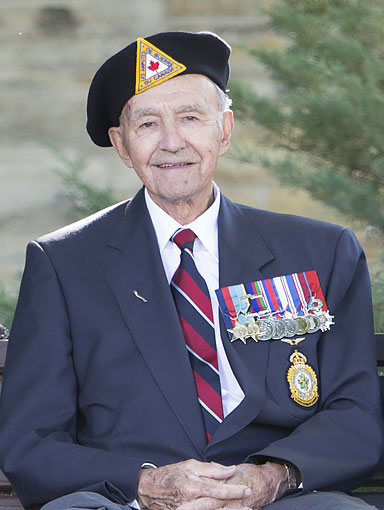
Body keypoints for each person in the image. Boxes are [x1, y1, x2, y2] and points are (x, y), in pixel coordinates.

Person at [0, 31, 382, 510]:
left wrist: (270, 478)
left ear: (224, 129)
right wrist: (147, 485)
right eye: (148, 124)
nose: (172, 142)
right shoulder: (64, 264)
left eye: (190, 117)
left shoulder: (321, 252)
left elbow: (356, 414)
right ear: (121, 145)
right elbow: (30, 442)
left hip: (276, 499)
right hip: (126, 500)